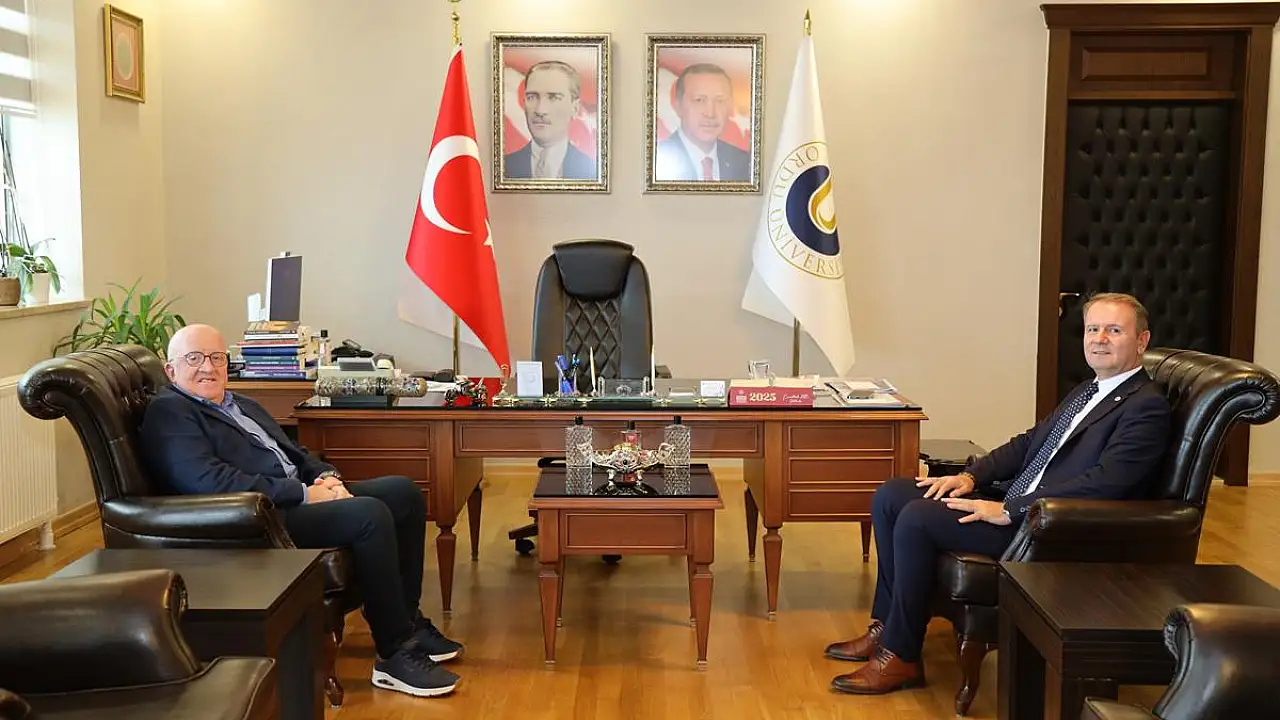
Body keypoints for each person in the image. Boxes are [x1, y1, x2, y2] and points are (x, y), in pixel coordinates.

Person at [823, 293, 1172, 695]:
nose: (1099, 339)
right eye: (1093, 329)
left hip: (1049, 528)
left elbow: (1106, 483)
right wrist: (971, 477)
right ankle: (888, 626)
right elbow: (1029, 443)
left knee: (918, 518)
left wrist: (1010, 509)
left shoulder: (1146, 407)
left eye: (1114, 330)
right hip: (1019, 502)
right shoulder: (1089, 390)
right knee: (892, 495)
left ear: (1141, 341)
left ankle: (901, 656)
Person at [138, 324, 463, 699]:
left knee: (403, 493)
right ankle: (394, 653)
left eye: (216, 357)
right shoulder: (171, 412)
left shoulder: (240, 403)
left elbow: (294, 454)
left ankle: (407, 620)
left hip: (298, 494)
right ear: (171, 369)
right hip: (259, 517)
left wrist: (327, 476)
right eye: (194, 358)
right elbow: (210, 481)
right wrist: (306, 494)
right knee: (369, 516)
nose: (208, 367)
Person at [654, 62, 751, 182]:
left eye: (720, 101)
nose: (710, 113)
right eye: (699, 100)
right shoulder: (654, 160)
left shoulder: (745, 163)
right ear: (678, 106)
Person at [503, 60, 597, 180]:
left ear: (575, 108)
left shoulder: (592, 173)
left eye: (554, 98)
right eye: (532, 97)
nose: (540, 110)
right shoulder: (504, 168)